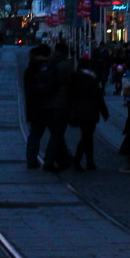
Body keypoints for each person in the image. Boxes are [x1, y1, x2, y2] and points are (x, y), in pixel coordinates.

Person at [69, 55, 109, 171]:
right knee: (87, 137)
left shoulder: (74, 77)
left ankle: (89, 162)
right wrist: (104, 111)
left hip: (79, 111)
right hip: (90, 112)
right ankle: (77, 160)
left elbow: (70, 95)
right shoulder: (91, 79)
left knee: (87, 136)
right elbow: (98, 97)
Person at [41, 41, 75, 172]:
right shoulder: (66, 65)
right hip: (61, 104)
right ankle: (49, 161)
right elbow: (72, 84)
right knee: (57, 134)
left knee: (57, 133)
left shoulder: (48, 62)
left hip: (47, 102)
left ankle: (64, 159)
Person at [22, 44, 52, 169]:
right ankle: (51, 160)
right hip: (45, 105)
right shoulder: (45, 68)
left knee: (35, 133)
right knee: (55, 134)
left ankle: (32, 159)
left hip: (33, 106)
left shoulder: (30, 69)